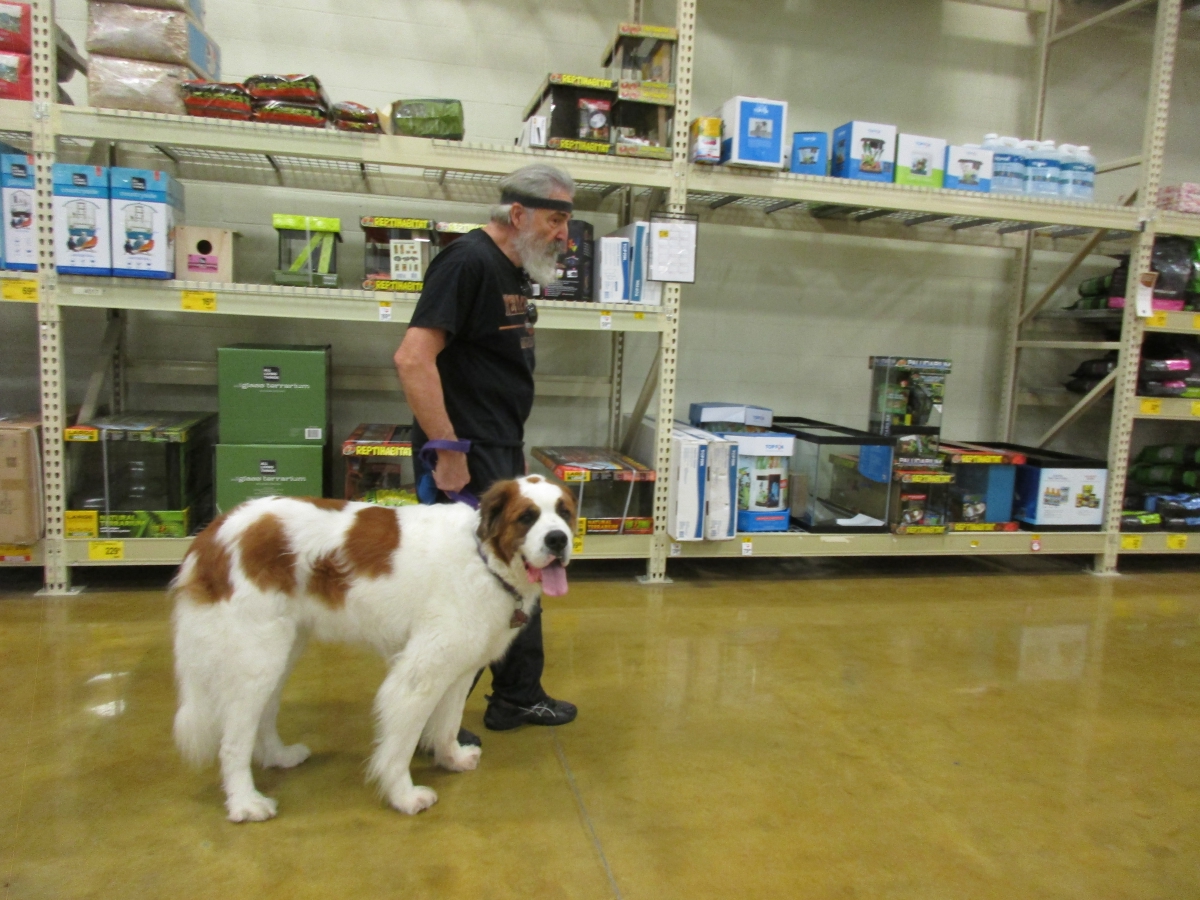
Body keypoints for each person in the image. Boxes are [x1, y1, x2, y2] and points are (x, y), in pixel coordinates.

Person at [393, 163, 579, 744]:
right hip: (466, 453)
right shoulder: (467, 262)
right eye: (554, 220)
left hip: (498, 445)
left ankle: (517, 695)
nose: (563, 235)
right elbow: (412, 358)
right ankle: (427, 724)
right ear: (517, 214)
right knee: (466, 593)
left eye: (566, 222)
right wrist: (448, 450)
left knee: (522, 573)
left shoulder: (510, 268)